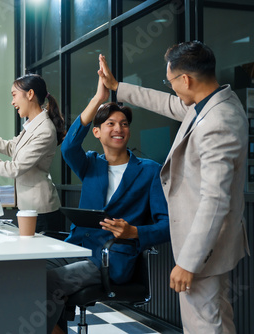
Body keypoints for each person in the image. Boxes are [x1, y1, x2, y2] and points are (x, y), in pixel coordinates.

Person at [98, 41, 249, 333]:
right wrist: (116, 86)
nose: (171, 90)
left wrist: (189, 263)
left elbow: (215, 200)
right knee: (212, 317)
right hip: (205, 243)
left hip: (204, 248)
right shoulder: (209, 103)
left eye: (171, 82)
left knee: (205, 324)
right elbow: (166, 103)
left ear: (186, 80)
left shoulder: (218, 121)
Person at [46, 74, 170, 334]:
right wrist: (98, 98)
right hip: (77, 248)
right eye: (111, 123)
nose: (119, 129)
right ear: (97, 132)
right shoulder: (91, 164)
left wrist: (134, 232)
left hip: (110, 259)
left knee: (48, 281)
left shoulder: (149, 171)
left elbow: (167, 225)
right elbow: (68, 147)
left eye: (124, 124)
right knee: (31, 271)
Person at [0, 73, 65, 232]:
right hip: (29, 209)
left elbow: (15, 168)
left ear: (30, 94)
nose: (12, 102)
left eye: (14, 95)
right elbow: (11, 147)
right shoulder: (32, 126)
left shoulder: (45, 130)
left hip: (41, 211)